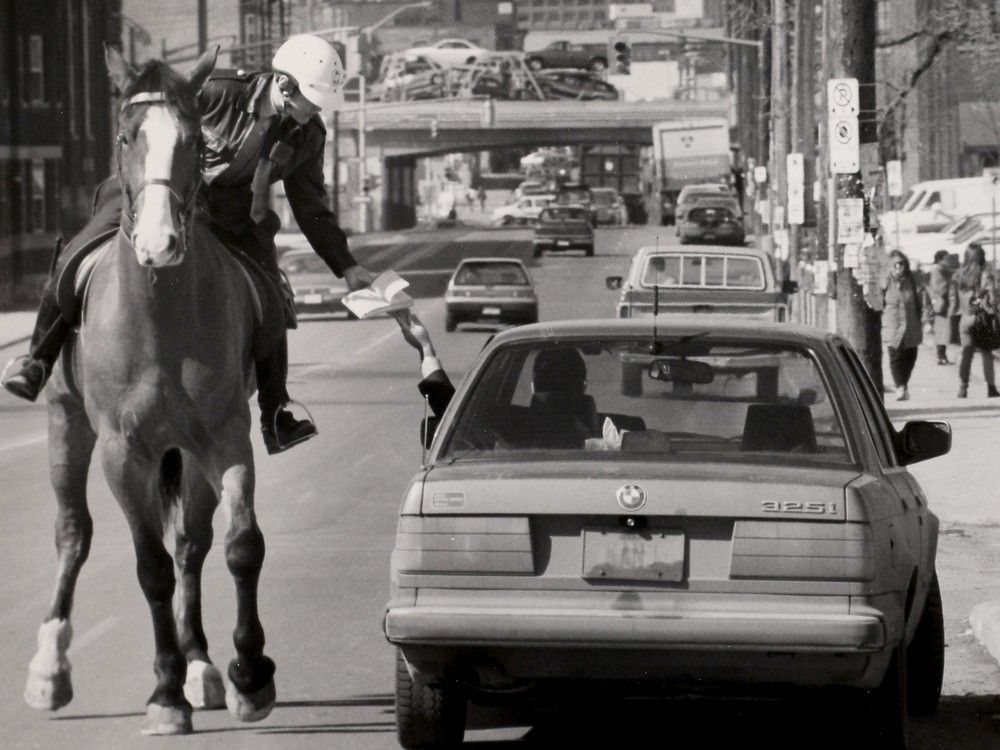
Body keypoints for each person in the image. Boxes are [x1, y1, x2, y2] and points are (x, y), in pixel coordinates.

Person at [1, 35, 374, 454]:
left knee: (272, 300)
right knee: (75, 257)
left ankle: (276, 412)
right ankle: (38, 359)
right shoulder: (216, 91)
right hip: (158, 192)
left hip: (233, 217)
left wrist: (347, 266)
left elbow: (311, 208)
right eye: (313, 99)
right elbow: (145, 128)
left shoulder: (308, 134)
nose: (317, 109)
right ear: (286, 86)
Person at [949, 242, 1000, 399]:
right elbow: (992, 297)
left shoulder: (958, 275)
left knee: (967, 353)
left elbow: (953, 299)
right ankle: (991, 388)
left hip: (965, 318)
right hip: (982, 317)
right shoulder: (987, 273)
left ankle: (963, 388)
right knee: (986, 353)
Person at [881, 250, 924, 401]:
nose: (899, 267)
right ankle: (900, 386)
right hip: (892, 325)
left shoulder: (912, 280)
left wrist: (926, 318)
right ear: (890, 266)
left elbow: (922, 299)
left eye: (902, 263)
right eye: (896, 264)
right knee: (896, 357)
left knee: (911, 356)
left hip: (911, 324)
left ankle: (903, 385)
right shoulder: (884, 281)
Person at [927, 249, 954, 365]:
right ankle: (941, 356)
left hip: (940, 303)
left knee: (943, 330)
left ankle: (942, 355)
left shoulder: (940, 269)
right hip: (941, 303)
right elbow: (940, 287)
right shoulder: (937, 269)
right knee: (942, 330)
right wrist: (951, 283)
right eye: (946, 258)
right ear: (940, 259)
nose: (949, 261)